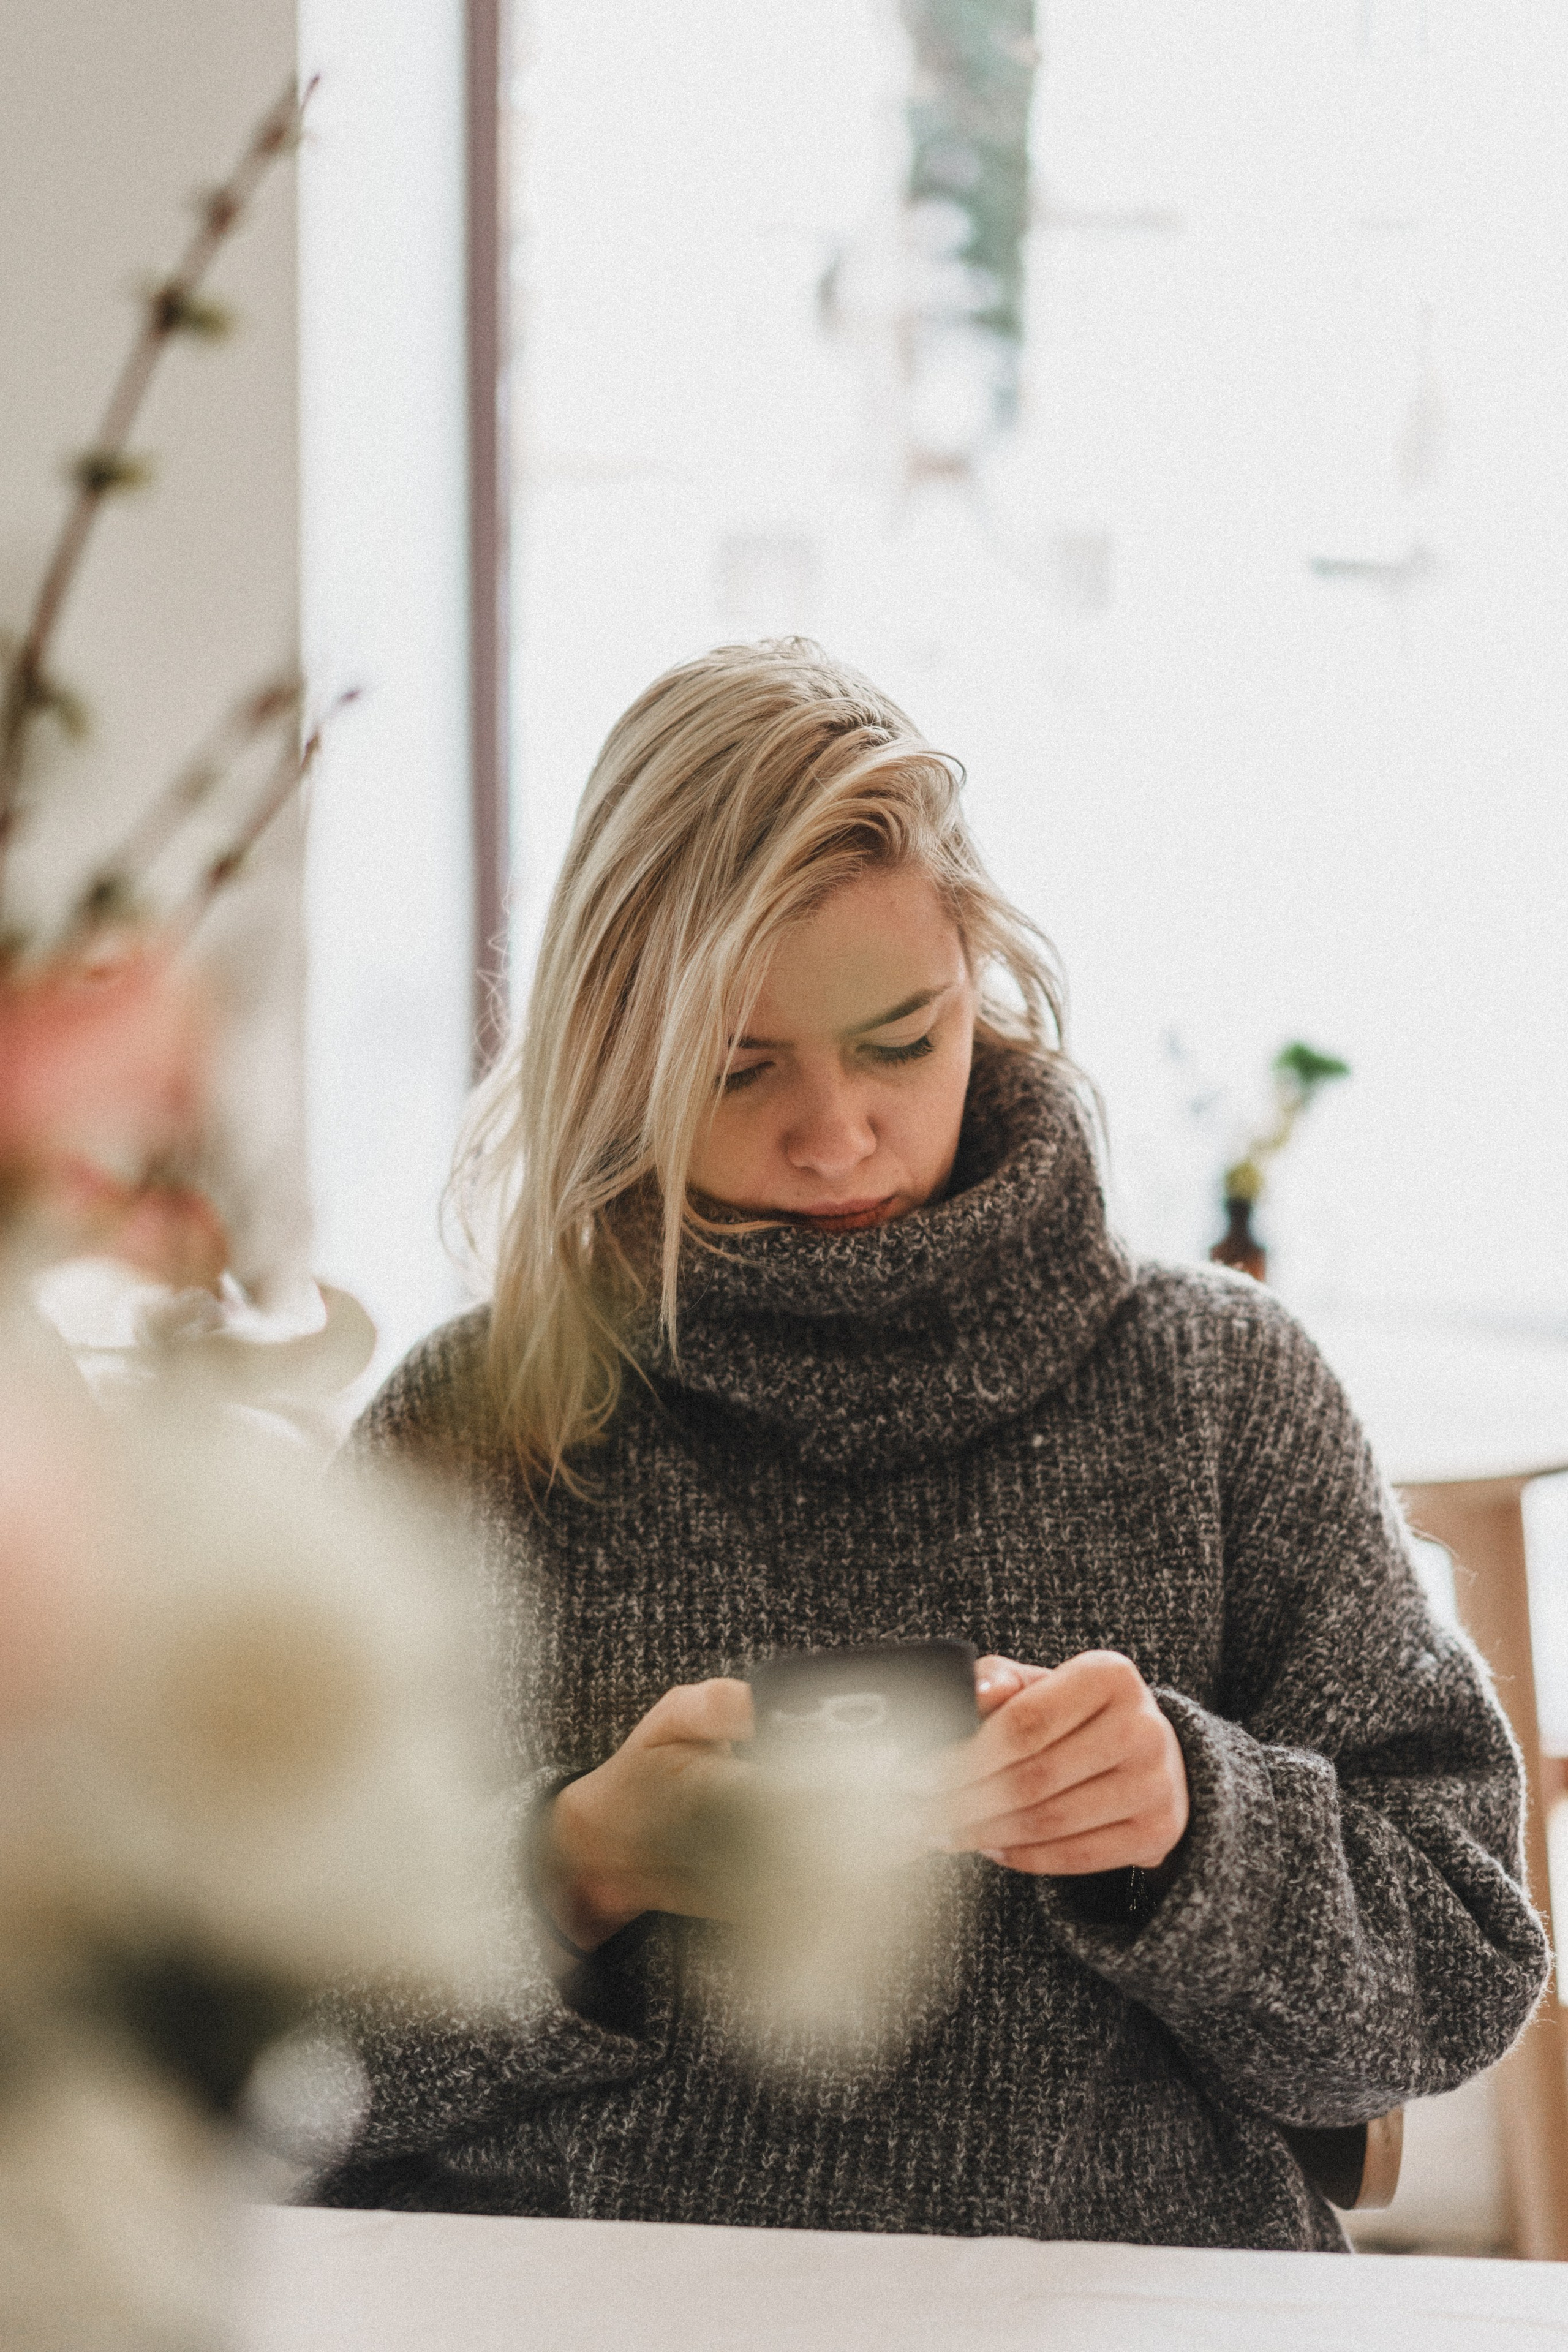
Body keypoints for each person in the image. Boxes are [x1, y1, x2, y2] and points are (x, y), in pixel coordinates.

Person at [314, 639, 1547, 2247]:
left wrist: (1191, 1826)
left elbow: (1456, 1980)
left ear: (985, 978)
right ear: (617, 1056)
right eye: (740, 1069)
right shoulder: (473, 1431)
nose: (838, 1135)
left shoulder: (1221, 1390)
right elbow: (244, 2052)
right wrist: (575, 1872)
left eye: (902, 1040)